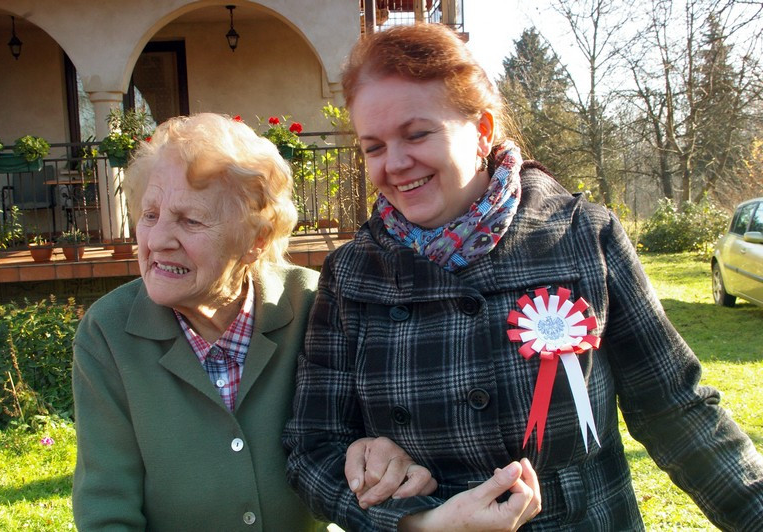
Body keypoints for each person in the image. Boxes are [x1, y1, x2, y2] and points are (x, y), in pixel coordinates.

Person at [283, 24, 763, 531]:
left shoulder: (583, 236)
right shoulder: (352, 273)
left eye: (417, 134)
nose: (396, 163)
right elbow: (312, 448)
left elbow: (675, 408)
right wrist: (418, 523)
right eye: (374, 147)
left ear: (482, 130)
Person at [71, 113, 327, 530]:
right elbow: (107, 507)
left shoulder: (313, 305)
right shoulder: (108, 333)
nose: (157, 241)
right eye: (150, 215)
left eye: (190, 220)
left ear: (256, 240)